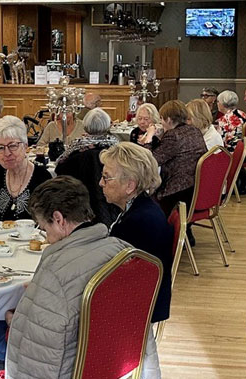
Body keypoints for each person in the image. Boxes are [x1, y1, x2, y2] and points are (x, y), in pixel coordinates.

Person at [4, 176, 133, 378]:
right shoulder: (124, 251)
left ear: (58, 219)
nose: (45, 236)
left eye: (43, 227)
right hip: (117, 363)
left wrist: (17, 318)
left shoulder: (56, 271)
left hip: (70, 368)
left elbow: (40, 347)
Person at [98, 142, 170, 377]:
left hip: (132, 308)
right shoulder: (141, 209)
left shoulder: (138, 222)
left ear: (130, 185)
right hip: (142, 299)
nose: (101, 183)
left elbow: (107, 275)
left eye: (106, 178)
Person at [141, 100, 205, 216]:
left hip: (176, 191)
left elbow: (150, 161)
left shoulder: (173, 136)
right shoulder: (194, 130)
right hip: (195, 187)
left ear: (169, 119)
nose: (161, 122)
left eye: (162, 119)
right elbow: (173, 150)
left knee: (142, 200)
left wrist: (149, 137)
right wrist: (161, 135)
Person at [55, 108, 119, 224]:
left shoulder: (76, 150)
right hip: (111, 207)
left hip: (79, 208)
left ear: (85, 126)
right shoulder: (116, 150)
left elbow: (59, 170)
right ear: (107, 126)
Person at [0, 116, 52, 221]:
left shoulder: (42, 178)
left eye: (12, 146)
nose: (7, 153)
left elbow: (50, 222)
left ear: (25, 146)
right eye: (0, 148)